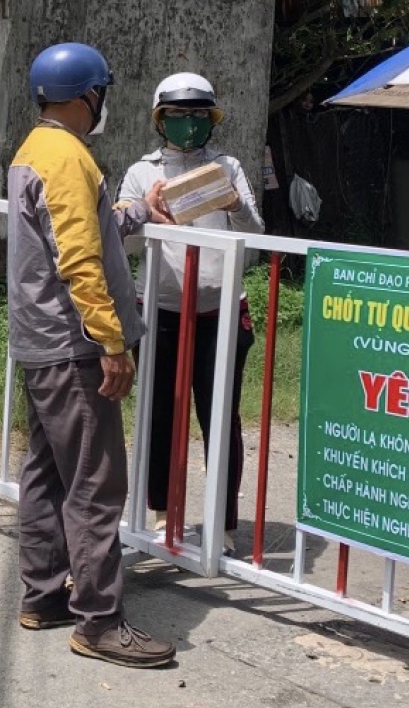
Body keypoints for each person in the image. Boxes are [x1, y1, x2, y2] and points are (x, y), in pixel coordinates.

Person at [7, 42, 177, 669]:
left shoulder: (36, 151)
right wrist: (110, 342)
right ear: (88, 97)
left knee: (47, 473)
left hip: (39, 342)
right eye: (102, 93)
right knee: (97, 485)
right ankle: (100, 622)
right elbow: (78, 259)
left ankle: (43, 595)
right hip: (72, 345)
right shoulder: (68, 159)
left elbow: (89, 225)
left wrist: (137, 212)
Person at [117, 72, 263, 556]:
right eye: (178, 117)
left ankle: (221, 527)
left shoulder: (228, 166)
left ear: (211, 120)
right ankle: (162, 517)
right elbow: (125, 240)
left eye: (198, 117)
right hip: (159, 310)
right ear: (161, 121)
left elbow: (256, 238)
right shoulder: (143, 172)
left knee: (220, 418)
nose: (188, 126)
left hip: (219, 311)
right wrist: (145, 212)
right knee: (159, 415)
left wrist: (235, 202)